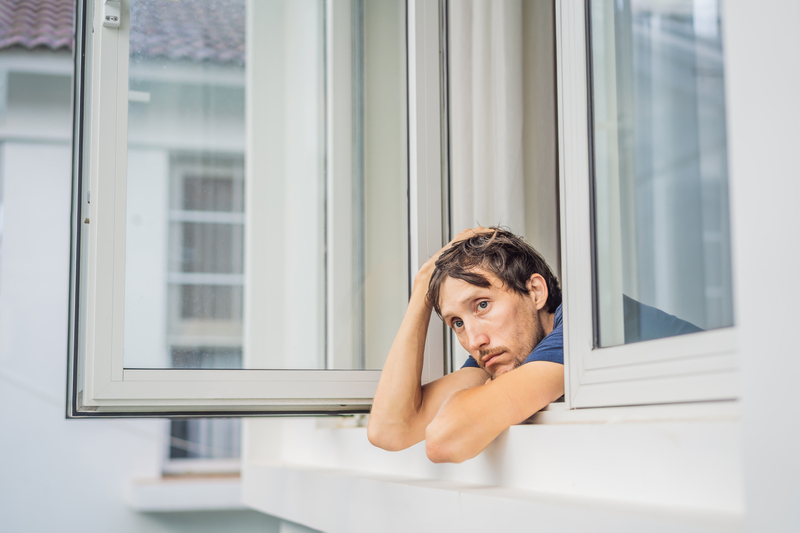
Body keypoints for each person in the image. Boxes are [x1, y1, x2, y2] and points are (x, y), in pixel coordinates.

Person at [367, 227, 564, 463]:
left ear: (535, 292)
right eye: (458, 323)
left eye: (482, 305)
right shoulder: (498, 353)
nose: (474, 341)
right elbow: (390, 430)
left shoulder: (583, 328)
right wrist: (422, 286)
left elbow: (445, 438)